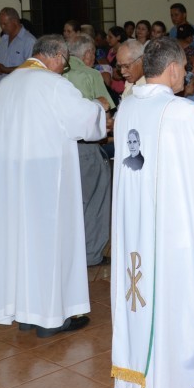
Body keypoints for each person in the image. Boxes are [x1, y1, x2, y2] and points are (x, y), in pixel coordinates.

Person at [110, 37, 194, 388]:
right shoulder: (181, 112)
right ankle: (181, 380)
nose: (185, 74)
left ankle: (138, 377)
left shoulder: (127, 109)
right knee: (178, 297)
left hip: (135, 224)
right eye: (183, 68)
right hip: (169, 229)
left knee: (139, 298)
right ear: (171, 69)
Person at [0, 35, 108, 338]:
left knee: (24, 242)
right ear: (56, 55)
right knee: (53, 241)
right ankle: (53, 317)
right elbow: (83, 122)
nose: (63, 68)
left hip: (14, 178)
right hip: (47, 176)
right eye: (65, 61)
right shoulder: (52, 84)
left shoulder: (6, 85)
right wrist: (98, 107)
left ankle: (28, 313)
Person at [64, 34, 116, 267]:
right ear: (87, 55)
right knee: (95, 198)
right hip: (86, 147)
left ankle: (68, 252)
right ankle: (90, 254)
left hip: (62, 146)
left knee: (70, 201)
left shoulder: (58, 75)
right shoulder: (90, 74)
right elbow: (105, 113)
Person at [0, 7, 36, 84]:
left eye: (5, 24)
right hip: (1, 87)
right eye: (0, 24)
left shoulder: (29, 41)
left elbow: (32, 67)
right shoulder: (4, 39)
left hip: (19, 88)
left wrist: (6, 69)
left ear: (15, 22)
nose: (2, 27)